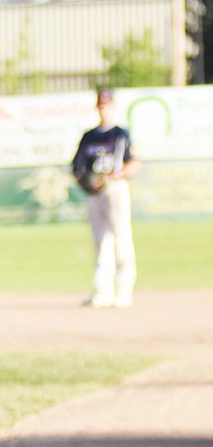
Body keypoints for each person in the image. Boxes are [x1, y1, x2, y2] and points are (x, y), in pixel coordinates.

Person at [71, 88, 141, 308]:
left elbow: (135, 162)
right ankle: (102, 291)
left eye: (106, 105)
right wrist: (85, 181)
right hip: (94, 193)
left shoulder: (121, 134)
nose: (103, 109)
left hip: (115, 187)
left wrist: (116, 175)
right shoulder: (89, 136)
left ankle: (123, 290)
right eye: (100, 105)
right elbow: (76, 167)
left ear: (113, 106)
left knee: (121, 237)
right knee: (100, 240)